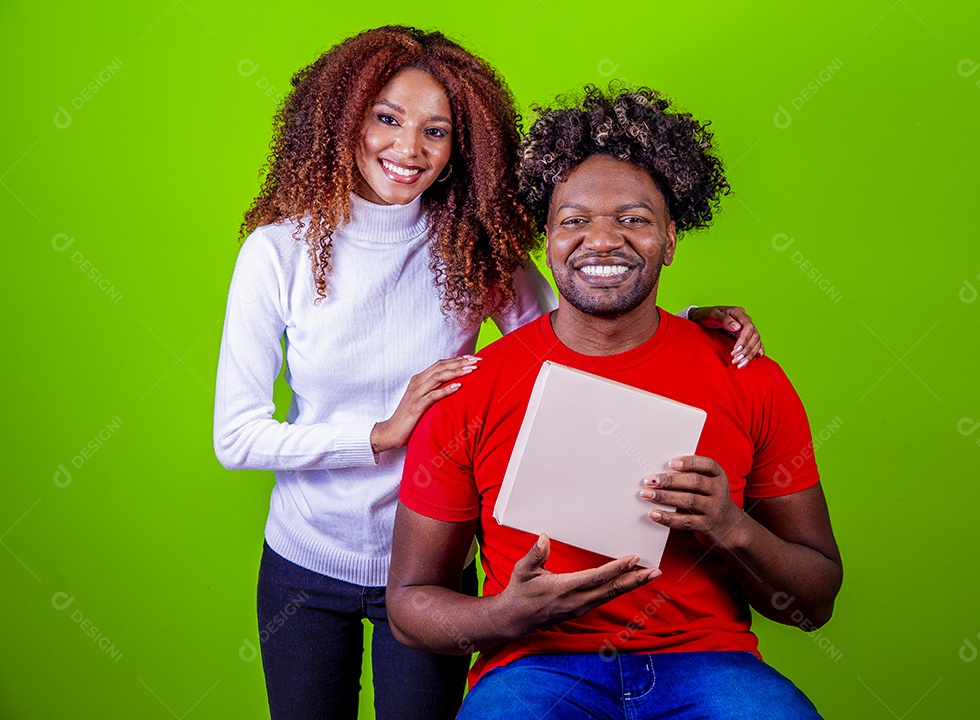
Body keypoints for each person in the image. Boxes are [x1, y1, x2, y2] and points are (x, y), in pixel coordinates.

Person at [214, 28, 765, 720]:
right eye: (387, 118)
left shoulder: (470, 249)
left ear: (462, 145)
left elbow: (571, 332)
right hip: (304, 562)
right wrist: (382, 433)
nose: (409, 149)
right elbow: (236, 437)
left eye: (436, 131)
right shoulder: (277, 254)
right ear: (344, 117)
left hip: (432, 572)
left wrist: (686, 321)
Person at [387, 85, 843, 720]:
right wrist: (507, 614)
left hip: (708, 663)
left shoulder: (748, 377)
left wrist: (730, 526)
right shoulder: (473, 390)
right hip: (536, 667)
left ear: (671, 239)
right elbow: (409, 605)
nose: (602, 240)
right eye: (574, 221)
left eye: (633, 219)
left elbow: (814, 602)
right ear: (547, 239)